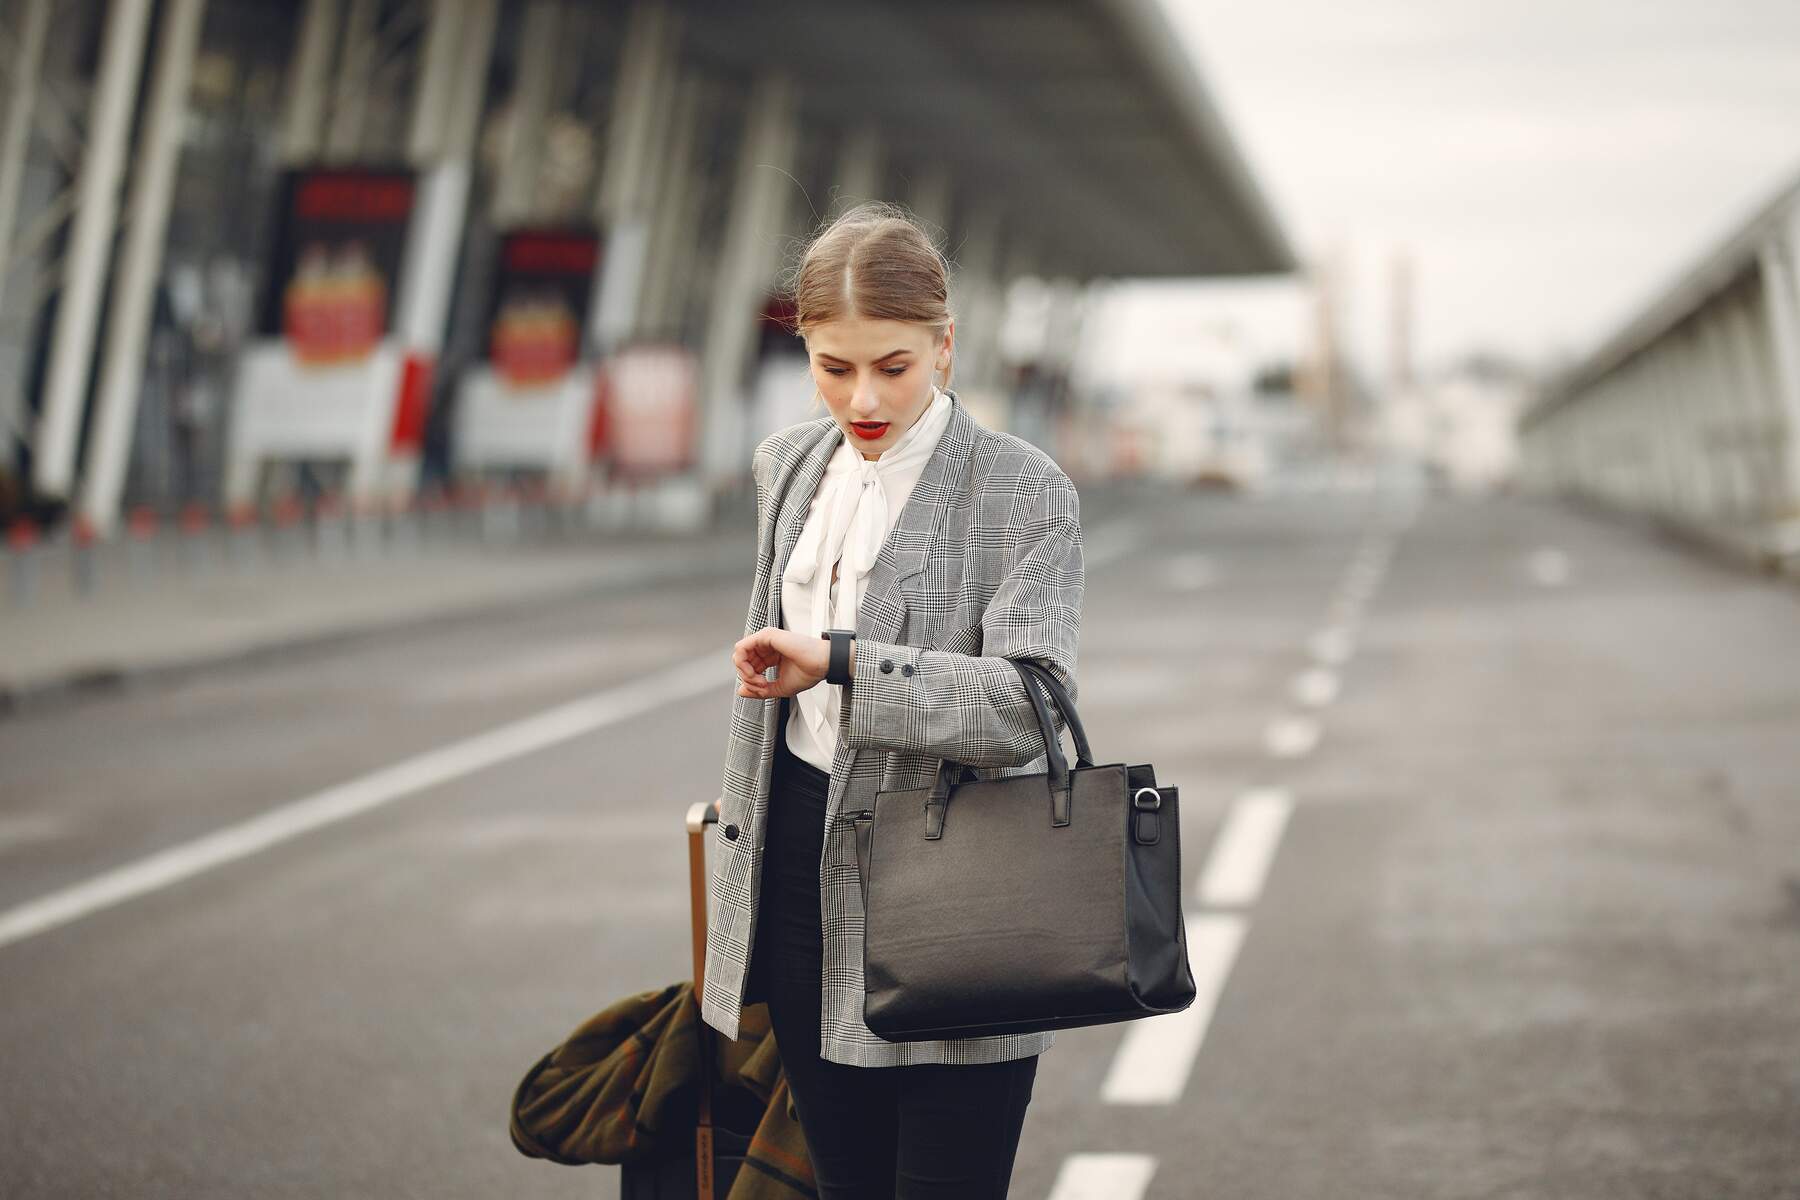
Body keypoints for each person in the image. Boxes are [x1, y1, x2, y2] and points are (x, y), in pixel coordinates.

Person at [702, 201, 1084, 1198]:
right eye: (835, 367)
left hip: (961, 889)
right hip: (797, 878)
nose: (863, 396)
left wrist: (842, 662)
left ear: (945, 348)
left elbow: (1023, 707)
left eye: (894, 366)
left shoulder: (1022, 490)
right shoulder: (787, 467)